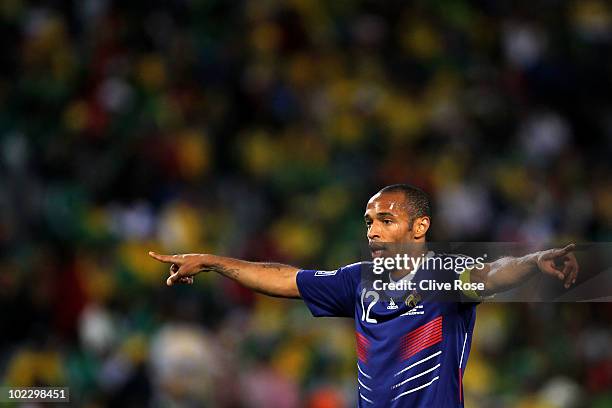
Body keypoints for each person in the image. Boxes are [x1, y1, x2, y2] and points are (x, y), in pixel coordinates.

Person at [148, 184, 579, 407]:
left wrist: (533, 261)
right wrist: (211, 261)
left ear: (420, 227)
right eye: (369, 220)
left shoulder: (444, 277)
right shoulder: (359, 281)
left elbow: (492, 274)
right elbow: (284, 278)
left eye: (386, 219)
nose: (372, 229)